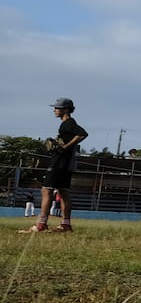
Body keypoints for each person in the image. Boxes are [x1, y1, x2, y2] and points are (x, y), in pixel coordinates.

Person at [24, 98, 87, 233]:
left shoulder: (68, 123)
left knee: (46, 190)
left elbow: (82, 133)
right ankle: (65, 225)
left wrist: (65, 147)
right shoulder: (67, 124)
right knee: (64, 192)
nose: (54, 110)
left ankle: (41, 225)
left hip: (59, 163)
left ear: (66, 109)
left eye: (57, 108)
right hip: (66, 164)